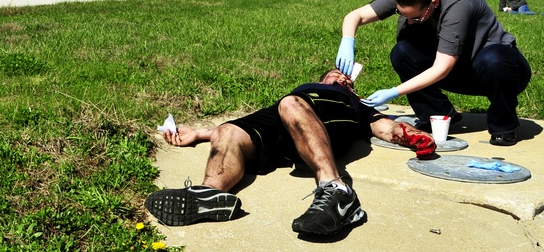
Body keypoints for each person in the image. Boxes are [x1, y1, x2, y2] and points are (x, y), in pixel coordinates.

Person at [145, 68, 437, 235]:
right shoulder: (304, 90)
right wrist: (199, 133)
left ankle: (338, 192)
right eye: (335, 76)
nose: (342, 79)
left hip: (317, 117)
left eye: (346, 80)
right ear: (321, 79)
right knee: (227, 130)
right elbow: (286, 109)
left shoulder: (354, 101)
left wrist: (411, 136)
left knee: (289, 103)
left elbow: (382, 126)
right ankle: (210, 195)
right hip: (287, 117)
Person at [336, 0, 531, 147]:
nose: (409, 22)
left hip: (497, 71)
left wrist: (394, 91)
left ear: (434, 3)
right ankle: (437, 115)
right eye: (402, 15)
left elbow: (442, 68)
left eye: (416, 18)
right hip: (456, 68)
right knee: (402, 52)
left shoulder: (457, 3)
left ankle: (503, 126)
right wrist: (347, 41)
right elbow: (356, 16)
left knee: (493, 60)